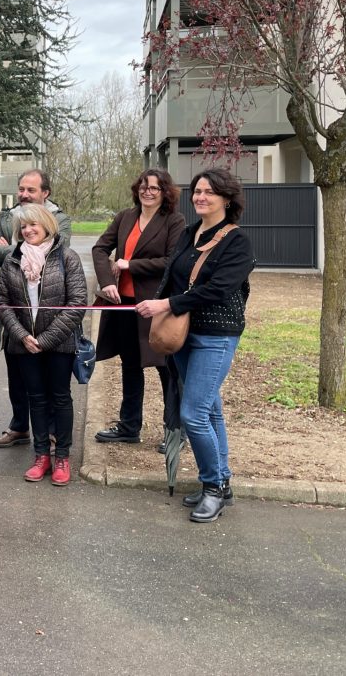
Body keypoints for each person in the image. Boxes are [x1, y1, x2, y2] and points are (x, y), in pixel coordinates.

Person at [137, 168, 254, 523]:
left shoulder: (237, 241)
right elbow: (173, 278)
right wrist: (160, 310)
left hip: (216, 337)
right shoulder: (190, 234)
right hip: (184, 334)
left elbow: (219, 289)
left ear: (227, 199)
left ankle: (213, 488)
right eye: (198, 191)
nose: (201, 197)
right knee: (210, 411)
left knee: (193, 415)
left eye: (210, 192)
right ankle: (222, 483)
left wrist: (167, 305)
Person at [0, 203, 87, 486]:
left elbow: (77, 304)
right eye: (23, 227)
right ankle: (41, 455)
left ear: (47, 224)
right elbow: (2, 301)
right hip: (24, 345)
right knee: (36, 399)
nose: (28, 230)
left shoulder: (67, 258)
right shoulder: (13, 258)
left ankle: (62, 458)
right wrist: (22, 336)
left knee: (59, 397)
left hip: (58, 345)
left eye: (33, 224)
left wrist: (45, 340)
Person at [92, 168, 186, 448]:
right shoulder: (125, 217)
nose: (147, 191)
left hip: (156, 305)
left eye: (154, 188)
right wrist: (107, 281)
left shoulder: (174, 221)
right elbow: (100, 249)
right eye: (143, 186)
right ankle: (129, 426)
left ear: (165, 192)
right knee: (130, 366)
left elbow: (172, 260)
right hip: (124, 304)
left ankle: (175, 432)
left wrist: (130, 264)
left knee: (166, 370)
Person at [0, 169, 73, 450]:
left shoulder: (60, 220)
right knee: (17, 375)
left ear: (45, 193)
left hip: (49, 316)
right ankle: (20, 427)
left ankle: (52, 433)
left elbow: (57, 253)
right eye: (21, 188)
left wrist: (11, 246)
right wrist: (21, 248)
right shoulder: (7, 217)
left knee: (50, 381)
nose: (23, 194)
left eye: (30, 190)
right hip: (15, 316)